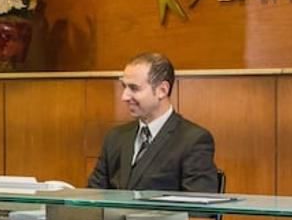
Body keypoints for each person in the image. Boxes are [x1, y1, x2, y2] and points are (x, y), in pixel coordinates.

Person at [87, 52, 219, 192]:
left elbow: (198, 202)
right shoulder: (115, 137)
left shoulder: (193, 140)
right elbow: (92, 194)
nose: (124, 97)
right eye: (124, 87)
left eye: (134, 88)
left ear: (162, 90)